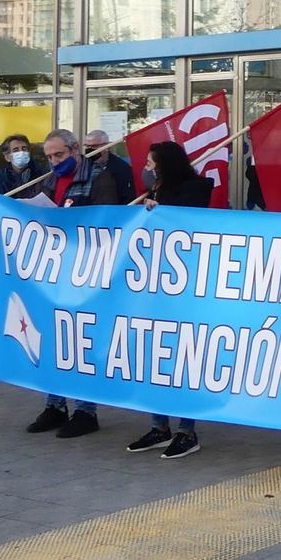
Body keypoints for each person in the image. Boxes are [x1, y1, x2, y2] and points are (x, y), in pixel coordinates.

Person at [25, 129, 121, 439]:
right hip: (54, 270)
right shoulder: (49, 181)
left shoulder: (98, 178)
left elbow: (107, 222)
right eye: (49, 157)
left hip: (85, 271)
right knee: (53, 339)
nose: (54, 161)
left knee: (81, 341)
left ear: (75, 149)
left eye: (59, 155)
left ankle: (85, 410)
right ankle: (55, 405)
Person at [126, 141, 214, 460]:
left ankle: (187, 431)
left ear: (166, 164)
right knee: (154, 359)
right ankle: (159, 427)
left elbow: (186, 221)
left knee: (182, 359)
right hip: (154, 287)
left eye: (151, 163)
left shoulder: (196, 188)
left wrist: (160, 211)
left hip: (184, 289)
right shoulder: (155, 191)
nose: (146, 169)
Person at [84, 129, 135, 202]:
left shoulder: (121, 168)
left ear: (106, 146)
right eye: (87, 146)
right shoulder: (82, 165)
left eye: (94, 146)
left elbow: (126, 196)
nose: (90, 150)